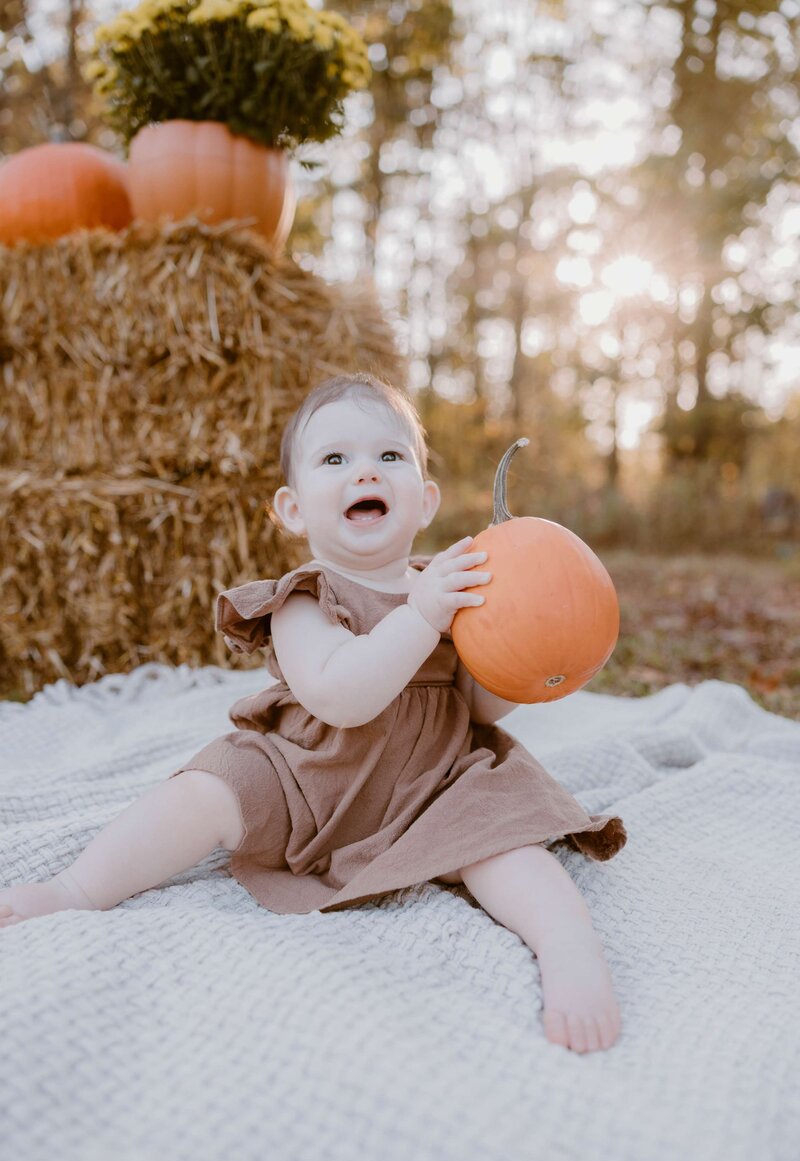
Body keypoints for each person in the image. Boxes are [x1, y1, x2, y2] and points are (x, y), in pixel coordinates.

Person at [0, 372, 627, 1054]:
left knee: (504, 835)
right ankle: (77, 888)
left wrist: (525, 664)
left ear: (426, 500)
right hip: (310, 779)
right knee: (206, 790)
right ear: (293, 510)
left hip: (432, 785)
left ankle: (568, 950)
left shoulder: (449, 591)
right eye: (335, 458)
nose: (366, 471)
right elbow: (339, 695)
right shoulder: (304, 598)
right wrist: (422, 616)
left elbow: (474, 703)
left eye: (390, 455)